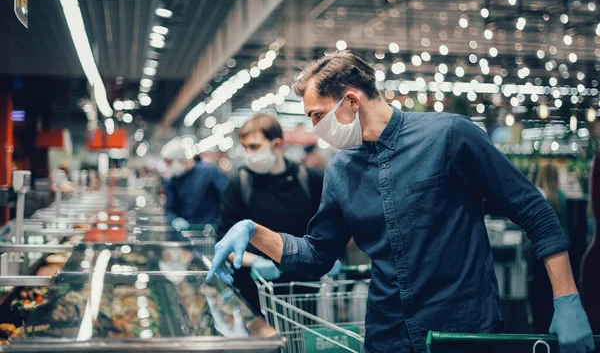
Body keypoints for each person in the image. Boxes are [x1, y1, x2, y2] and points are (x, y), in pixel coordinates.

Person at [209, 51, 595, 353]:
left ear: (350, 100)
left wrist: (567, 298)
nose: (314, 129)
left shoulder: (450, 136)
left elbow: (534, 211)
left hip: (460, 334)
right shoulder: (342, 170)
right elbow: (317, 254)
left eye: (317, 115)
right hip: (387, 335)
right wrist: (253, 232)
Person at [217, 114, 326, 313]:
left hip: (302, 289)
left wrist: (331, 256)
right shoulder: (239, 183)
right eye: (245, 147)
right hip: (254, 287)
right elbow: (226, 241)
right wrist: (255, 261)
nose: (248, 153)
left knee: (299, 340)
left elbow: (324, 230)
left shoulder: (309, 179)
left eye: (255, 146)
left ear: (276, 145)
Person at [531, 162, 569, 334]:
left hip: (539, 254)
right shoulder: (562, 197)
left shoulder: (536, 197)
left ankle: (540, 332)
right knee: (555, 296)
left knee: (539, 294)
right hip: (562, 255)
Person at [160, 136, 228, 230]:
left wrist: (224, 222)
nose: (168, 167)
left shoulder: (208, 172)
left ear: (181, 159)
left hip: (209, 231)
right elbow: (169, 209)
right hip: (185, 232)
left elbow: (228, 197)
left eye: (170, 163)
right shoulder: (172, 181)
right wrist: (174, 219)